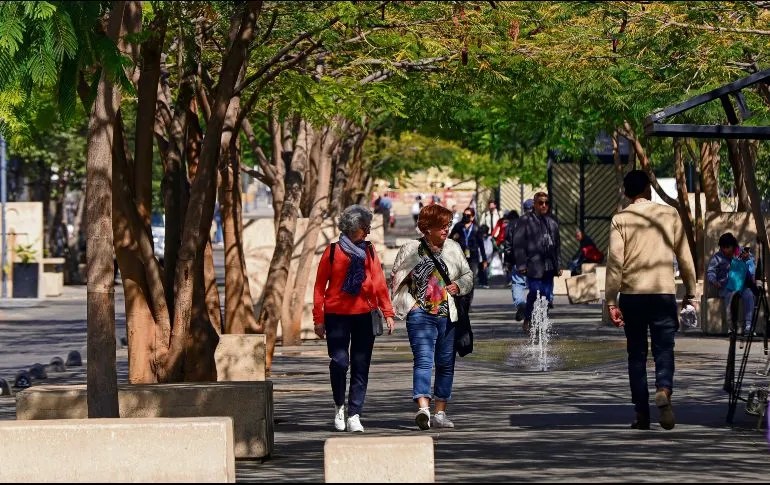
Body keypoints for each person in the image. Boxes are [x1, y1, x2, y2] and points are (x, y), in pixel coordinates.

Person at [605, 170, 697, 431]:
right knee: (664, 349)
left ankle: (642, 414)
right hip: (662, 295)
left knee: (636, 354)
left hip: (632, 297)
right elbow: (684, 256)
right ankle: (664, 390)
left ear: (626, 193)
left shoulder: (621, 219)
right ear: (648, 189)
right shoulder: (669, 214)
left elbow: (615, 263)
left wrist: (611, 301)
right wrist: (691, 292)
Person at [389, 204, 474, 430]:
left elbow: (468, 275)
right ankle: (424, 409)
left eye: (448, 225)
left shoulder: (453, 248)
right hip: (420, 314)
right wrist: (409, 305)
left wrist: (459, 285)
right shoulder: (410, 249)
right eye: (442, 226)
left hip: (448, 314)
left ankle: (440, 413)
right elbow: (396, 277)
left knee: (445, 363)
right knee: (423, 360)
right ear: (428, 228)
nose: (447, 229)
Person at [313, 204, 396, 433]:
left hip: (364, 315)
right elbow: (319, 287)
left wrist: (388, 312)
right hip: (336, 316)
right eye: (364, 227)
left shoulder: (369, 251)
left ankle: (354, 414)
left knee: (361, 366)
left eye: (368, 227)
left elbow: (379, 282)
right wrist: (318, 318)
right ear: (352, 228)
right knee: (340, 362)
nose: (368, 231)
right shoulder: (332, 252)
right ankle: (339, 405)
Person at [512, 192, 561, 333]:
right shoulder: (525, 220)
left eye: (546, 203)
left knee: (547, 295)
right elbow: (518, 243)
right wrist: (521, 264)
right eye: (540, 203)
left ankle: (542, 320)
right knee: (534, 291)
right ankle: (528, 317)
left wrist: (558, 264)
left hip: (549, 264)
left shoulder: (552, 220)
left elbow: (557, 244)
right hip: (533, 265)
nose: (544, 205)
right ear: (534, 204)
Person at [706, 233, 757, 336]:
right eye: (723, 248)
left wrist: (748, 260)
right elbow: (710, 271)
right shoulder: (718, 257)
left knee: (749, 295)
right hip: (726, 286)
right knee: (730, 296)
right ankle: (731, 327)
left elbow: (752, 266)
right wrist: (714, 281)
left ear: (733, 246)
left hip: (742, 284)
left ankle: (748, 327)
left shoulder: (742, 252)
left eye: (727, 247)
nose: (725, 250)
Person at [449, 207, 487, 303]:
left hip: (473, 257)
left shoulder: (476, 228)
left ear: (472, 217)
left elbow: (481, 245)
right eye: (464, 215)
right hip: (460, 257)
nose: (466, 217)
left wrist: (484, 259)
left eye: (468, 215)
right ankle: (461, 299)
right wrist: (454, 238)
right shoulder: (458, 226)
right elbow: (449, 239)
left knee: (470, 279)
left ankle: (468, 300)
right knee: (460, 278)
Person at [478, 224, 494, 289]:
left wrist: (485, 257)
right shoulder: (480, 237)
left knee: (485, 270)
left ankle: (485, 282)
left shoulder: (489, 239)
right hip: (481, 257)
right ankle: (481, 282)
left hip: (486, 257)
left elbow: (490, 249)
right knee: (480, 270)